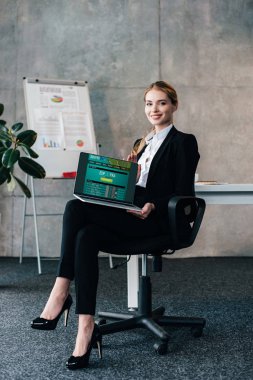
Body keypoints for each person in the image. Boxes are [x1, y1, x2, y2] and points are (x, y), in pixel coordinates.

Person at [31, 80, 200, 370]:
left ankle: (60, 294)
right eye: (149, 103)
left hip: (156, 221)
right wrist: (127, 178)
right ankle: (85, 328)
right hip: (131, 213)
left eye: (161, 102)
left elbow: (183, 191)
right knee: (85, 235)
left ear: (174, 105)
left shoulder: (183, 141)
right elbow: (136, 188)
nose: (154, 109)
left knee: (74, 208)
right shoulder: (142, 143)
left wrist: (153, 204)